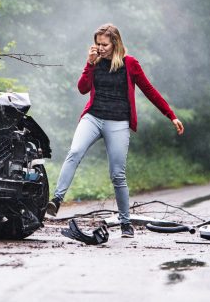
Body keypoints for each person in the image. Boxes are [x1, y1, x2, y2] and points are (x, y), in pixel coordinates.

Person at [47, 23, 184, 238]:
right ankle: (56, 200)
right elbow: (83, 89)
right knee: (74, 153)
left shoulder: (130, 64)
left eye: (104, 44)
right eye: (97, 44)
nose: (100, 48)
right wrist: (89, 64)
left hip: (118, 122)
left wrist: (171, 115)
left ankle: (125, 223)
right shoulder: (95, 62)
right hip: (93, 117)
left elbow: (149, 90)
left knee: (117, 174)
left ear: (115, 43)